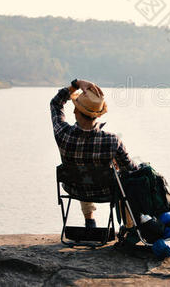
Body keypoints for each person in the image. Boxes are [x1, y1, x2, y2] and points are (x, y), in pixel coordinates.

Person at [50, 78, 138, 228]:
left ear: (75, 110)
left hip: (74, 187)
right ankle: (132, 226)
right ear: (98, 115)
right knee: (124, 177)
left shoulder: (63, 134)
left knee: (83, 169)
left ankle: (89, 221)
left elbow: (55, 103)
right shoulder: (112, 140)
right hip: (106, 191)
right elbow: (131, 169)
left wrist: (76, 84)